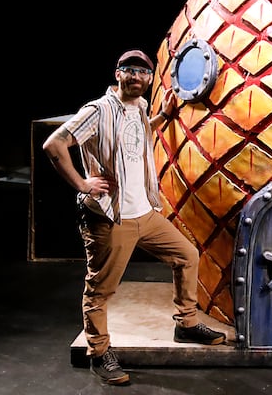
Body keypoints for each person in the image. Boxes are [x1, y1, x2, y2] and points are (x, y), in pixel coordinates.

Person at [42, 49, 226, 386]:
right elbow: (54, 146)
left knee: (186, 255)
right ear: (117, 74)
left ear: (149, 79)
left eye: (143, 73)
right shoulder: (97, 111)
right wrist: (83, 184)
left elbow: (136, 136)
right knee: (100, 290)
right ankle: (99, 352)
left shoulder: (140, 107)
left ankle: (186, 324)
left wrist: (163, 118)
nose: (136, 78)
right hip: (111, 219)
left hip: (144, 212)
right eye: (129, 71)